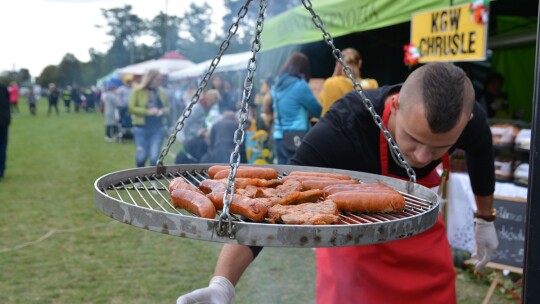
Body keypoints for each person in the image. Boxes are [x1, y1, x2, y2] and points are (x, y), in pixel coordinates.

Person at [176, 63, 499, 304]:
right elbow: (274, 201)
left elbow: (482, 154)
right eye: (413, 139)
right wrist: (223, 282)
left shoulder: (470, 119)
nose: (422, 155)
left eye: (440, 146)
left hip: (423, 252)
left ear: (465, 123)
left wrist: (485, 218)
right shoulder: (346, 125)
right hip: (355, 255)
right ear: (397, 105)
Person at [270, 52, 322, 164]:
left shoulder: (276, 86)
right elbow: (318, 110)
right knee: (299, 176)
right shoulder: (300, 85)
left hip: (279, 137)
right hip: (297, 138)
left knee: (283, 177)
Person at [128, 69, 170, 167]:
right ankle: (138, 179)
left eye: (160, 79)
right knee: (141, 156)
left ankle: (153, 181)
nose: (159, 82)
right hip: (141, 128)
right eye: (157, 79)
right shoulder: (137, 91)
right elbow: (131, 108)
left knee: (154, 156)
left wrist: (163, 111)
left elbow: (168, 107)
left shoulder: (162, 92)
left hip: (158, 128)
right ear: (150, 79)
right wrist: (147, 112)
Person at [319, 48, 378, 116]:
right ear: (360, 63)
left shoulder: (331, 83)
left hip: (336, 125)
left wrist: (335, 74)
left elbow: (322, 101)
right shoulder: (373, 84)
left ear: (339, 65)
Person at [175, 89, 221, 164]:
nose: (212, 105)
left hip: (194, 134)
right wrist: (184, 138)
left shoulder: (205, 107)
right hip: (188, 135)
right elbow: (185, 122)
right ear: (208, 99)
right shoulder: (196, 107)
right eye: (212, 103)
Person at [103, 78, 123, 142]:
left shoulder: (106, 95)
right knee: (114, 124)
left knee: (108, 124)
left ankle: (108, 135)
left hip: (107, 111)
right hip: (112, 112)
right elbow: (117, 104)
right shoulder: (112, 96)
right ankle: (112, 135)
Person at [0, 83, 10, 180]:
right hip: (4, 120)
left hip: (3, 120)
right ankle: (1, 170)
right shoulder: (3, 88)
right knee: (2, 146)